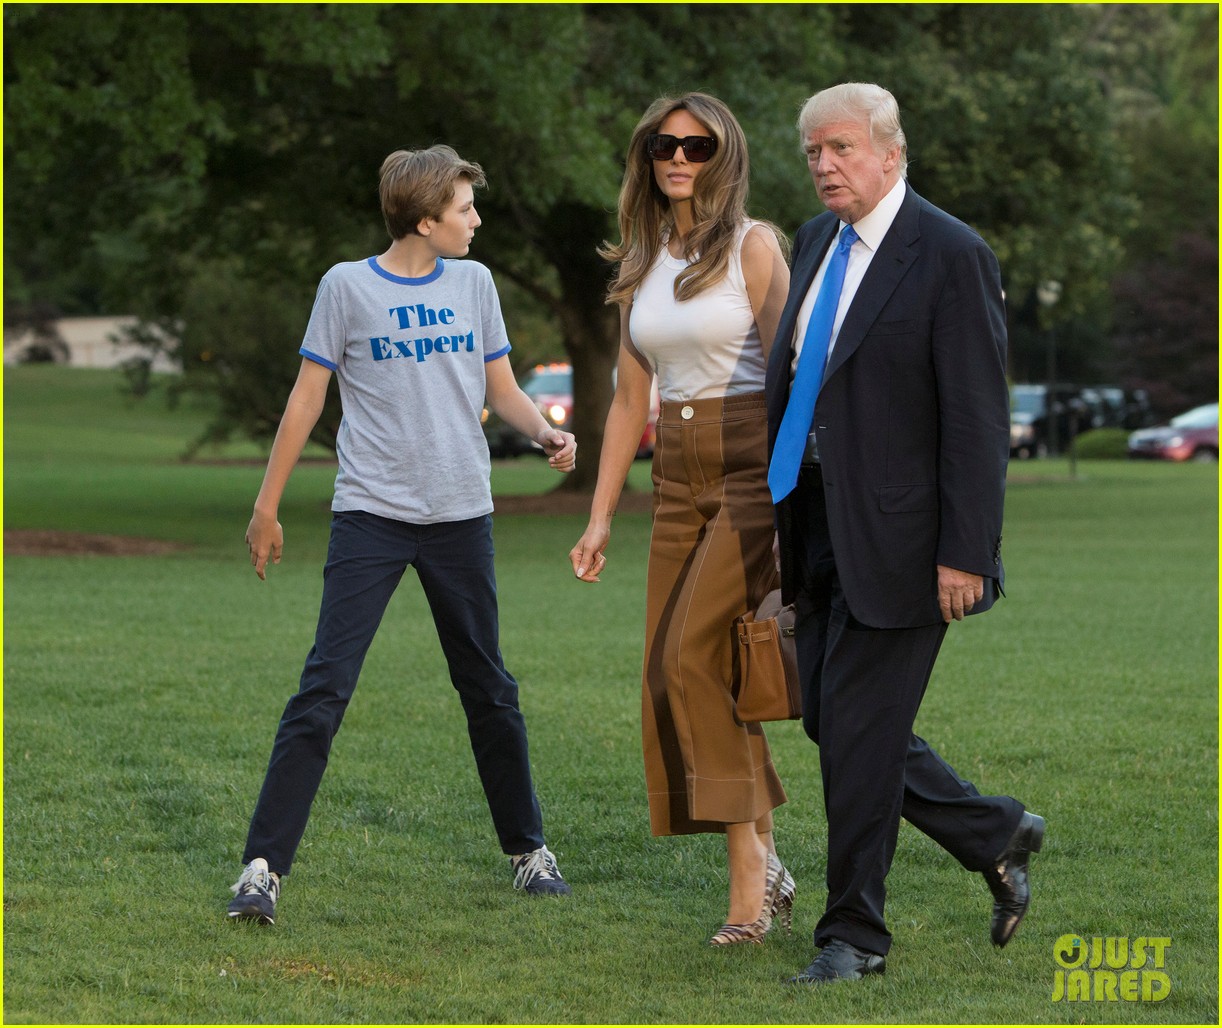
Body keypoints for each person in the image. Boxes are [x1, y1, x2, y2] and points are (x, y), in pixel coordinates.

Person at [226, 145, 577, 924]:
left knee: (489, 689)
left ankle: (528, 851)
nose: (476, 220)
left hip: (460, 517)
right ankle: (261, 869)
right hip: (371, 517)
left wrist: (548, 434)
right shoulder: (346, 287)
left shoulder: (475, 284)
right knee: (324, 688)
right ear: (425, 219)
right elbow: (306, 398)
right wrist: (266, 505)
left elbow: (504, 389)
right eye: (464, 209)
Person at [763, 83, 1044, 984]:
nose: (823, 165)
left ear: (891, 152)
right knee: (837, 724)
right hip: (812, 526)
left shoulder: (951, 254)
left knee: (859, 734)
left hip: (911, 545)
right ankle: (993, 832)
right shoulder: (813, 243)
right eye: (813, 152)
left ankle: (854, 938)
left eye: (841, 148)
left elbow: (974, 417)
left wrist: (968, 550)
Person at [569, 93, 793, 945]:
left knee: (689, 658)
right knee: (673, 673)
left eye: (697, 146)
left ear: (723, 155)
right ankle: (767, 859)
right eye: (665, 144)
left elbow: (796, 376)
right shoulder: (641, 258)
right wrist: (600, 518)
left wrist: (797, 496)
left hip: (748, 470)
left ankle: (748, 882)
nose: (679, 158)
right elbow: (631, 400)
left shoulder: (755, 246)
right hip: (675, 477)